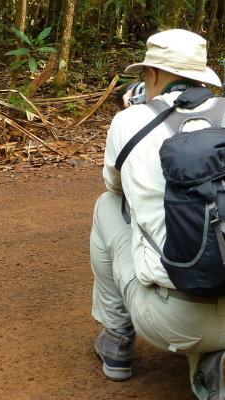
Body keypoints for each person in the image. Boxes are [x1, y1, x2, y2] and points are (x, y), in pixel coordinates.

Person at [90, 28, 225, 400]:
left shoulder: (130, 122)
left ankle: (117, 340)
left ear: (150, 75)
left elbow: (115, 187)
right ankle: (211, 360)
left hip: (174, 322)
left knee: (106, 206)